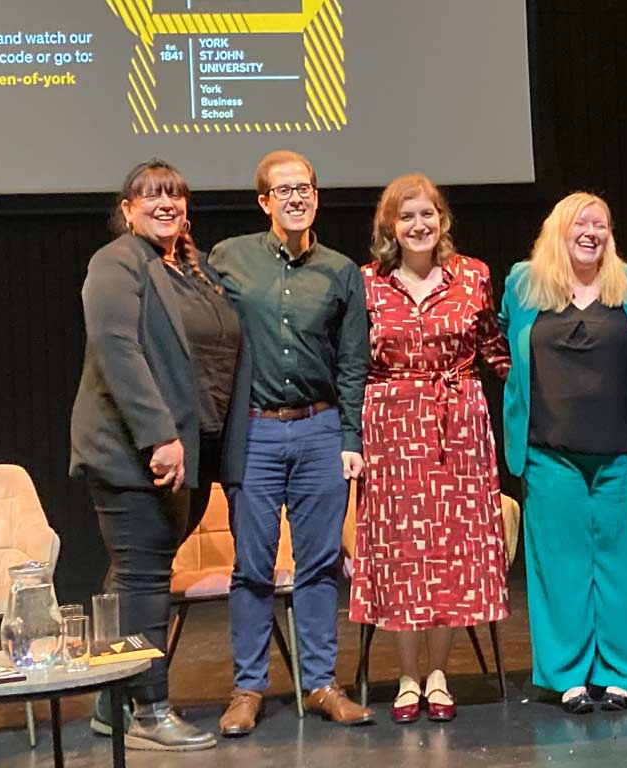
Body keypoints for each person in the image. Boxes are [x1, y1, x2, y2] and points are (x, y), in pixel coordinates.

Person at [69, 159, 249, 751]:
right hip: (135, 452)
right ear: (126, 209)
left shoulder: (186, 270)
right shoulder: (117, 262)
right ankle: (147, 711)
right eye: (150, 195)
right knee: (145, 578)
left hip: (188, 453)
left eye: (175, 194)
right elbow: (118, 349)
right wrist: (159, 435)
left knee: (135, 577)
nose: (164, 202)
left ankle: (111, 701)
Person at [209, 150, 374, 735]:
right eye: (284, 190)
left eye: (304, 187)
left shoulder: (341, 271)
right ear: (264, 201)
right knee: (252, 565)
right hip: (252, 430)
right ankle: (248, 690)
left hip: (319, 429)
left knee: (320, 565)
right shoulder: (228, 259)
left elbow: (354, 363)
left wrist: (350, 435)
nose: (296, 197)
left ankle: (322, 685)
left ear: (317, 195)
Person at [349, 173, 512, 724]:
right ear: (390, 227)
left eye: (428, 214)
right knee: (401, 552)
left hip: (459, 423)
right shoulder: (368, 283)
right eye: (407, 216)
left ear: (442, 219)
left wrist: (541, 398)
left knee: (450, 550)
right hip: (391, 427)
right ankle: (406, 675)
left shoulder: (473, 277)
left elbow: (495, 347)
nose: (419, 225)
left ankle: (439, 673)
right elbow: (351, 363)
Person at [499, 191, 627, 713]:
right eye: (581, 223)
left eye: (601, 224)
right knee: (559, 565)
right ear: (557, 229)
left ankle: (620, 672)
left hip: (619, 453)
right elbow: (504, 345)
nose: (592, 232)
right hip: (548, 451)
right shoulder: (523, 283)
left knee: (622, 564)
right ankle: (567, 675)